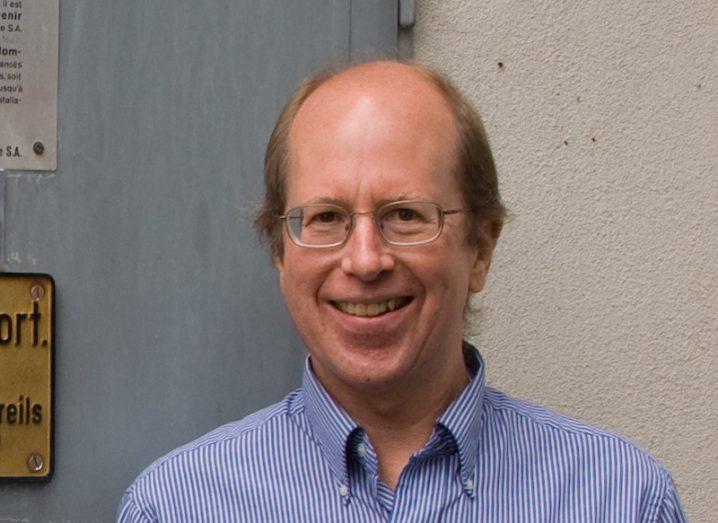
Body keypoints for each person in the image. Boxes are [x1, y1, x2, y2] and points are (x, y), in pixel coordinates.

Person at [118, 60, 685, 522]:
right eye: (325, 218)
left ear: (481, 247)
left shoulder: (620, 498)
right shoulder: (177, 506)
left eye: (406, 215)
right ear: (279, 251)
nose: (365, 260)